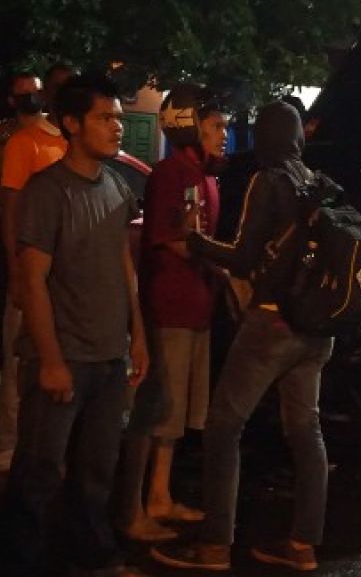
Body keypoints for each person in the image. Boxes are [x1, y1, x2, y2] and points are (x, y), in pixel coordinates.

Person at [152, 101, 333, 573]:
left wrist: (194, 240)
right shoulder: (315, 183)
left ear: (264, 138)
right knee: (306, 430)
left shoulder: (269, 180)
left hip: (273, 323)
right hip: (317, 328)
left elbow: (244, 257)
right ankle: (302, 546)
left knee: (224, 426)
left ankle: (214, 546)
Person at [0, 73, 149, 577]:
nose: (117, 127)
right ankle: (19, 563)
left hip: (110, 356)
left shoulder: (116, 186)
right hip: (62, 357)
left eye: (119, 119)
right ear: (71, 123)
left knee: (96, 473)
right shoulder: (47, 192)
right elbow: (33, 280)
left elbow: (125, 270)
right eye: (105, 117)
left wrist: (138, 338)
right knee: (37, 474)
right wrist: (51, 360)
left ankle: (93, 558)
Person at [116, 85, 229, 542]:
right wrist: (227, 265)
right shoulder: (171, 173)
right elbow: (170, 240)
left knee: (177, 415)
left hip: (197, 310)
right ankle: (134, 507)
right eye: (216, 126)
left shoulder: (206, 177)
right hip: (169, 309)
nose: (224, 134)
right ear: (188, 126)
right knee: (156, 411)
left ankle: (159, 496)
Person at [0, 66, 74, 472]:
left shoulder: (65, 141)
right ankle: (12, 443)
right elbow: (11, 209)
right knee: (18, 357)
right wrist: (15, 270)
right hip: (30, 269)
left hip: (63, 276)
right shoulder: (20, 143)